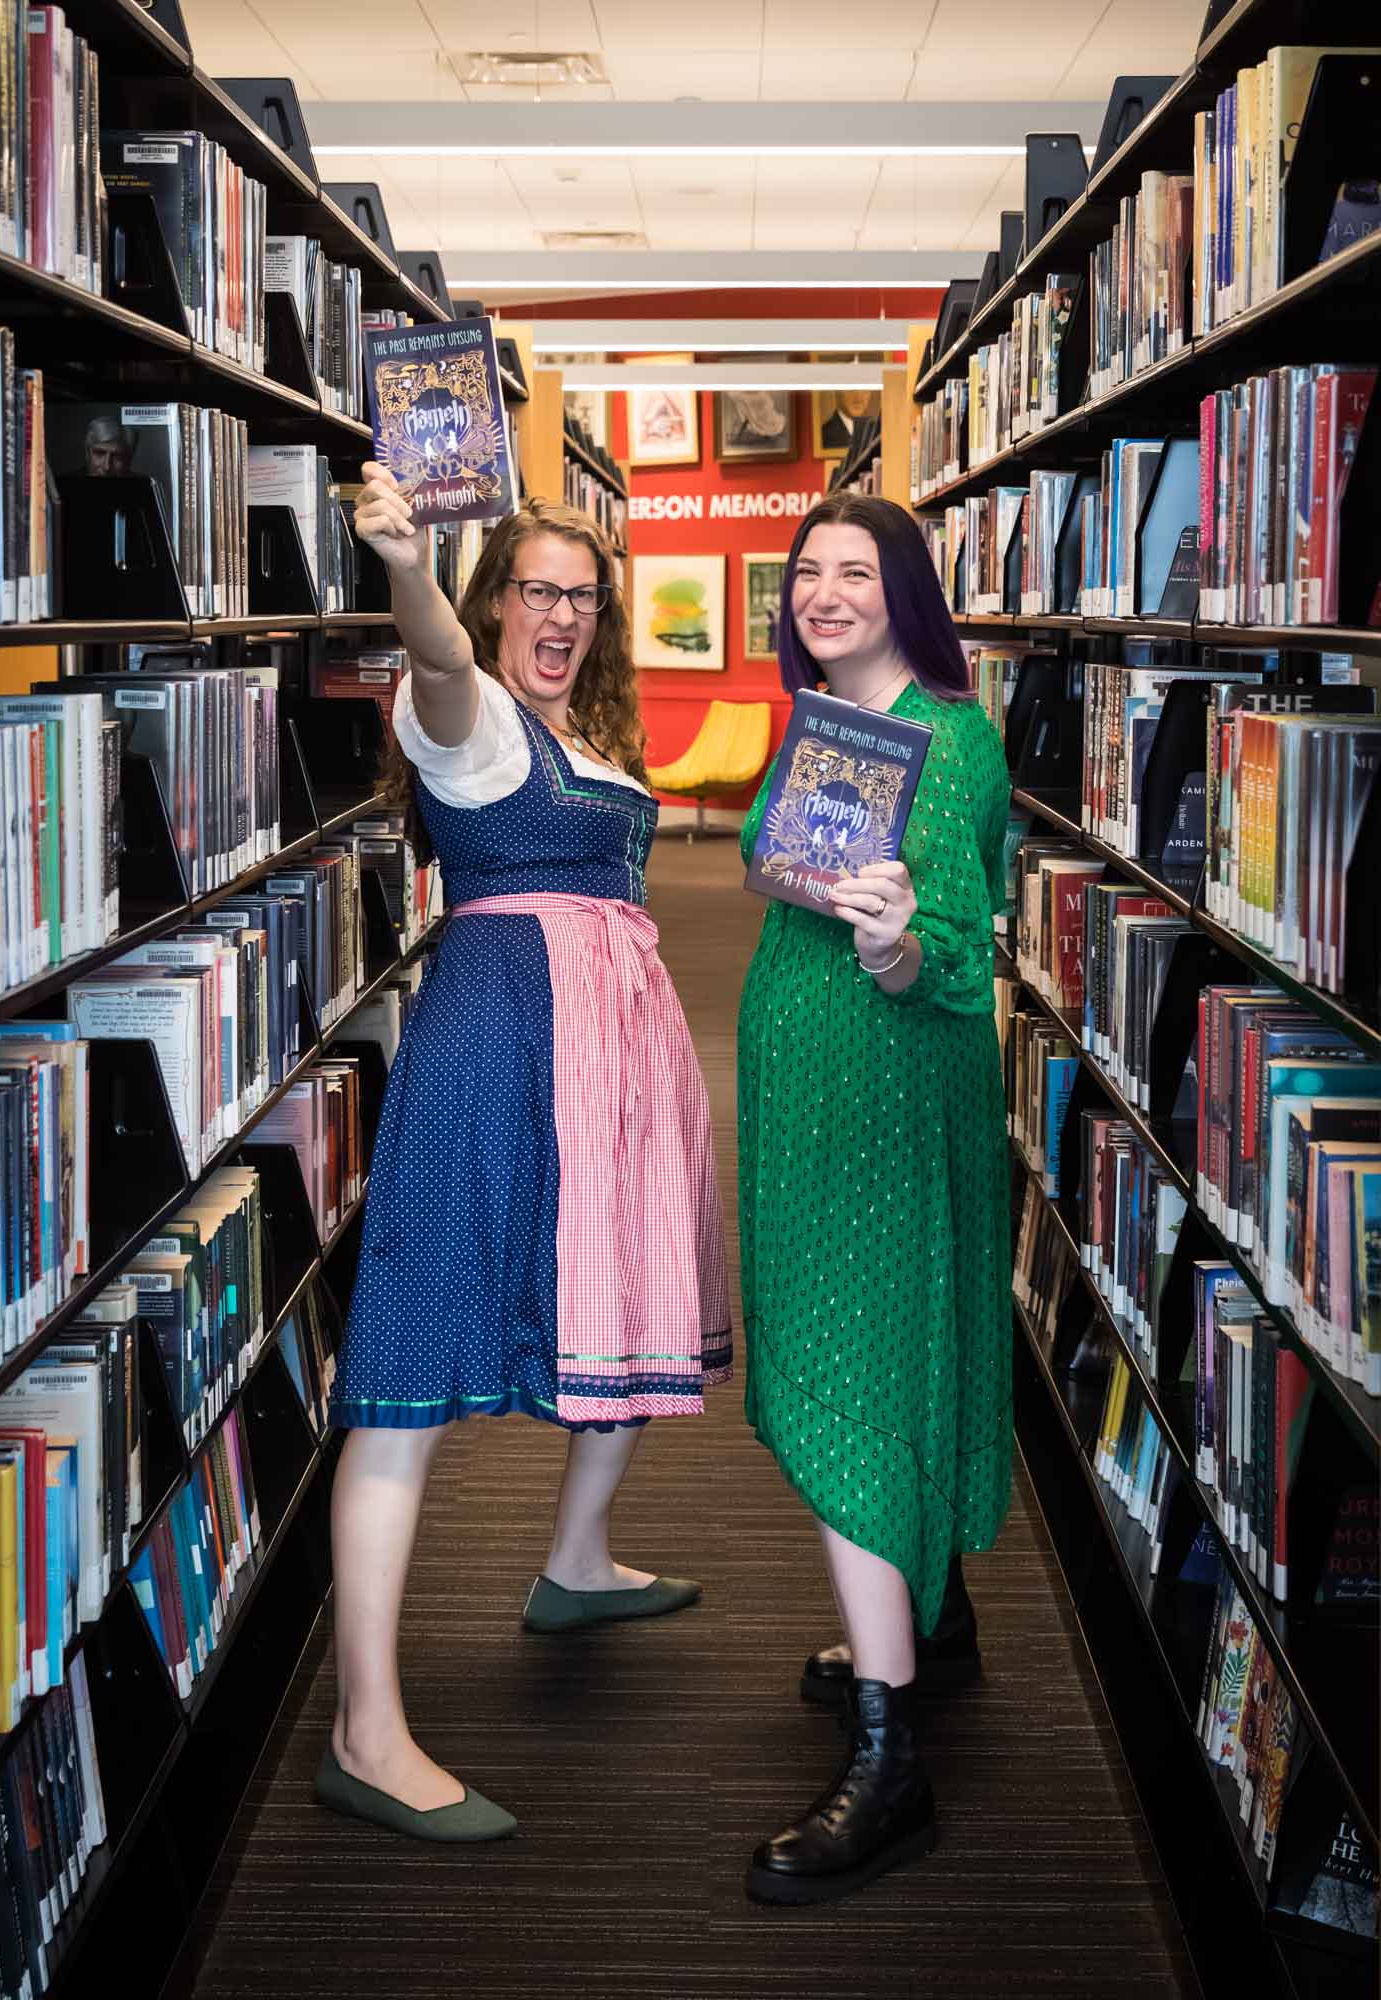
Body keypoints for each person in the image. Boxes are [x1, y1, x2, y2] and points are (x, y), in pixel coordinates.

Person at [317, 470, 732, 1844]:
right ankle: (365, 1730)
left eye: (582, 598)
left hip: (613, 1057)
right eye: (536, 590)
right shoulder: (474, 721)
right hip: (501, 1048)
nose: (560, 616)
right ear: (495, 594)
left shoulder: (588, 733)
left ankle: (574, 1558)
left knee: (629, 1295)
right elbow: (434, 659)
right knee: (413, 1355)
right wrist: (405, 568)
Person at [737, 492, 1012, 1905]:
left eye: (856, 571)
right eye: (806, 572)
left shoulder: (949, 744)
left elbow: (954, 949)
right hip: (806, 1103)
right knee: (882, 1338)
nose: (824, 592)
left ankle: (892, 1764)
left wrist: (901, 955)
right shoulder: (815, 724)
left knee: (856, 1362)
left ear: (909, 591)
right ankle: (931, 1620)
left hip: (884, 1105)